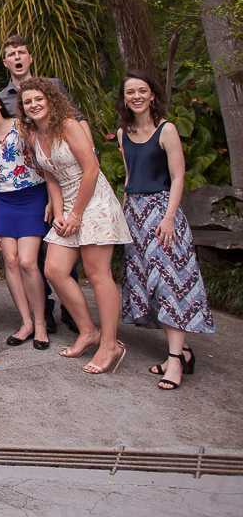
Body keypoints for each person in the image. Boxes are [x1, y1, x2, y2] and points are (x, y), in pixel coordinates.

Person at [19, 78, 131, 375]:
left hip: (93, 201)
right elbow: (51, 177)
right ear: (23, 109)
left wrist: (77, 214)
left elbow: (92, 168)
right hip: (67, 206)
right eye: (28, 102)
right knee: (54, 270)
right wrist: (58, 213)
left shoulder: (68, 125)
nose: (34, 105)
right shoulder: (34, 136)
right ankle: (88, 331)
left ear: (50, 99)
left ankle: (110, 344)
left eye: (39, 99)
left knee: (97, 273)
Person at [116, 71, 215, 390]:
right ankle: (183, 353)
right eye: (130, 92)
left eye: (142, 90)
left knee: (171, 284)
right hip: (135, 215)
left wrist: (170, 218)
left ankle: (174, 361)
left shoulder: (167, 129)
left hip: (162, 214)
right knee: (150, 286)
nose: (136, 96)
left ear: (152, 95)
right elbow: (129, 178)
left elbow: (178, 177)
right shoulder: (123, 133)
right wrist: (123, 216)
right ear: (124, 98)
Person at [0, 34, 88, 335]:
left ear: (30, 57)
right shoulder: (3, 99)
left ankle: (71, 308)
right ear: (6, 61)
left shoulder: (53, 86)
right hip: (31, 182)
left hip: (61, 172)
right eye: (12, 54)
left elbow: (78, 119)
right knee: (33, 251)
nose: (17, 57)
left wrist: (89, 152)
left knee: (64, 239)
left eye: (22, 52)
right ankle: (43, 308)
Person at [0, 86, 49, 349]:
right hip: (1, 202)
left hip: (32, 195)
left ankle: (41, 323)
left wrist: (52, 198)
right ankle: (26, 323)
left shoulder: (22, 125)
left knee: (27, 261)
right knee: (11, 261)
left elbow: (44, 160)